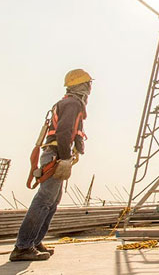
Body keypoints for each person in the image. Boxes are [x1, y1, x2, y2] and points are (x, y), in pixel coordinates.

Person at [9, 69, 91, 262]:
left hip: (55, 155)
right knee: (44, 201)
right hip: (55, 155)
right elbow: (64, 132)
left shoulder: (67, 102)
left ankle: (34, 241)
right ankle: (22, 247)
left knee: (51, 202)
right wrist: (64, 158)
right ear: (83, 86)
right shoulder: (72, 103)